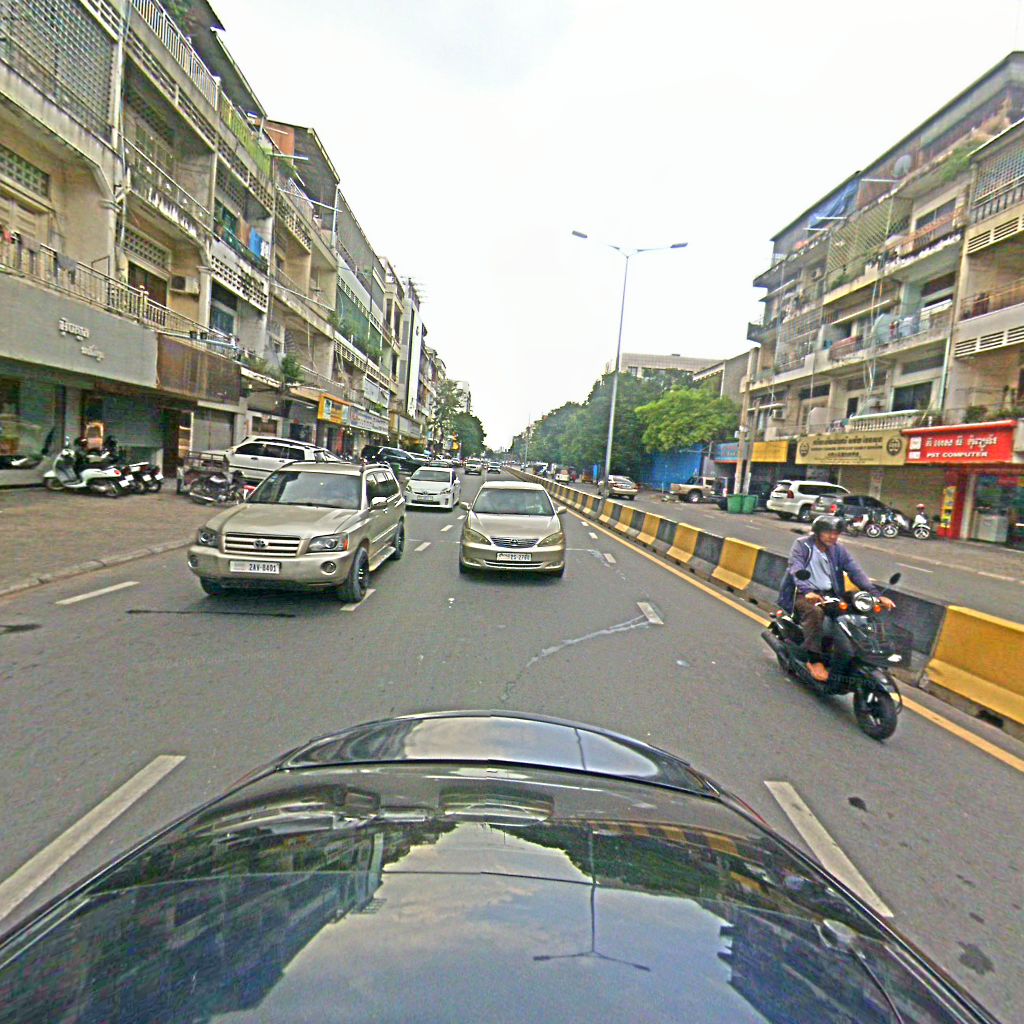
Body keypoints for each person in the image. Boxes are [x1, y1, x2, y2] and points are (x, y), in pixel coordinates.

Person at [778, 514, 895, 683]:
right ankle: (814, 660)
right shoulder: (802, 545)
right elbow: (796, 568)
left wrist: (877, 595)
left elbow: (855, 571)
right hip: (803, 593)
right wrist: (807, 590)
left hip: (831, 594)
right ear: (818, 532)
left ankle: (862, 654)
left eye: (836, 533)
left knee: (860, 610)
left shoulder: (838, 550)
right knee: (815, 613)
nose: (832, 536)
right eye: (828, 532)